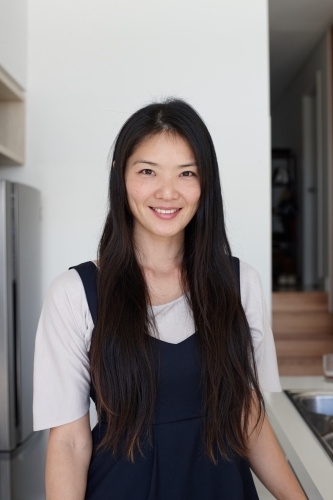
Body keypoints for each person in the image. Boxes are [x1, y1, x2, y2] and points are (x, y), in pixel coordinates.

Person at [33, 99, 306, 499]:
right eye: (147, 171)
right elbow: (70, 442)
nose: (167, 192)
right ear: (119, 177)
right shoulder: (74, 294)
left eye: (187, 173)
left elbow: (247, 416)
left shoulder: (239, 282)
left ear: (205, 182)